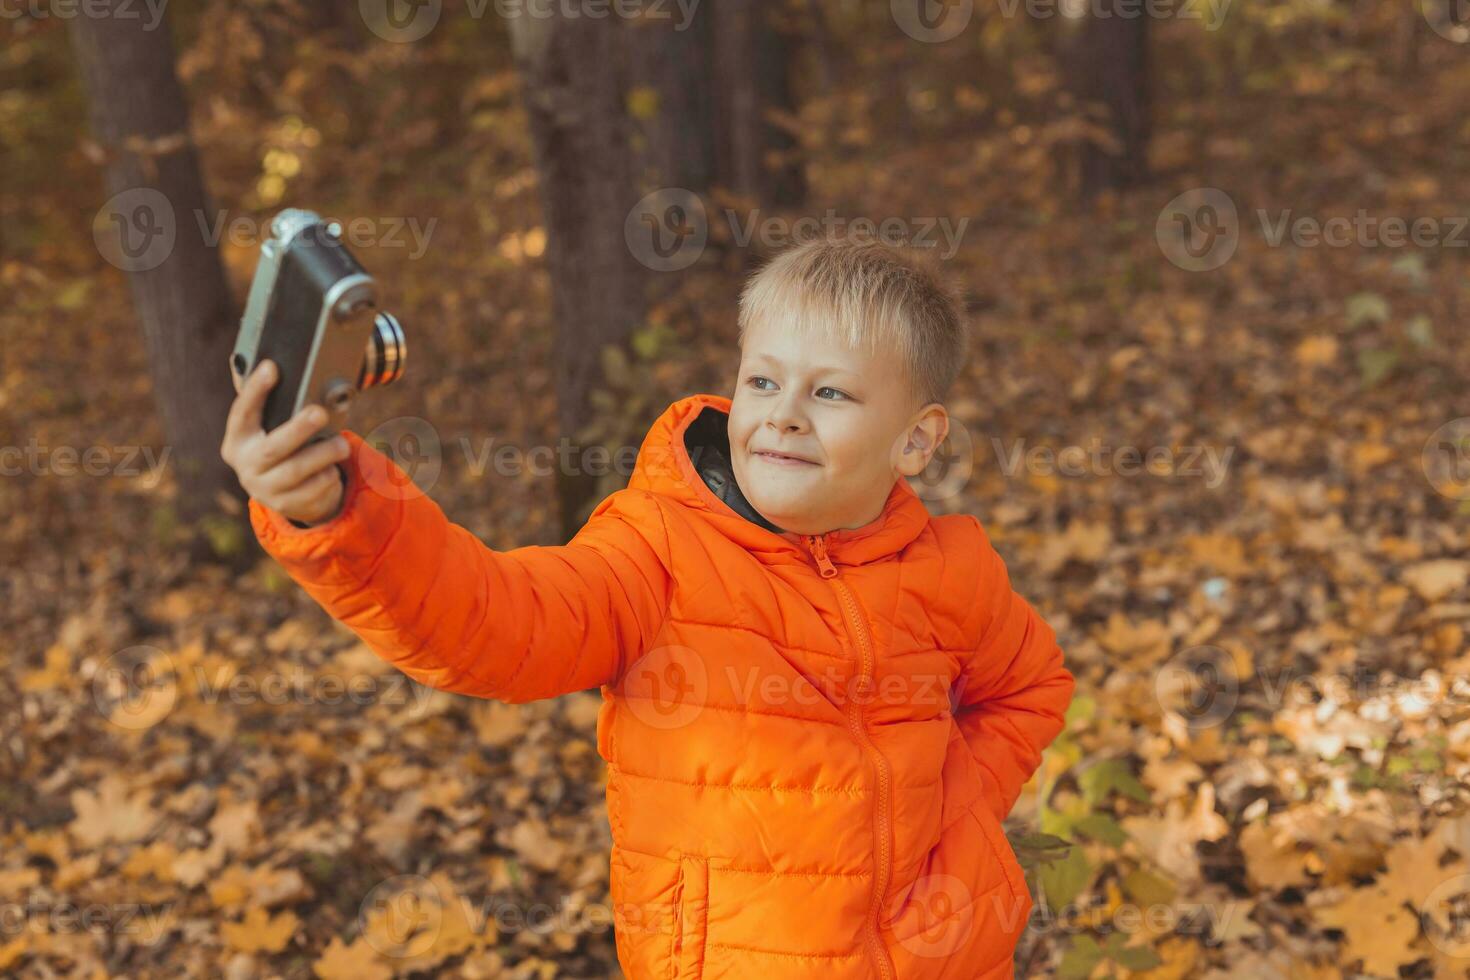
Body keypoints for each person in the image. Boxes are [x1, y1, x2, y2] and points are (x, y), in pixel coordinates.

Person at [220, 232, 1077, 979]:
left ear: (918, 439)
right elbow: (495, 624)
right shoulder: (655, 552)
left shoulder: (952, 571)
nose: (782, 416)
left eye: (830, 394)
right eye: (763, 381)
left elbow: (1030, 687)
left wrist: (950, 821)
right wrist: (335, 511)